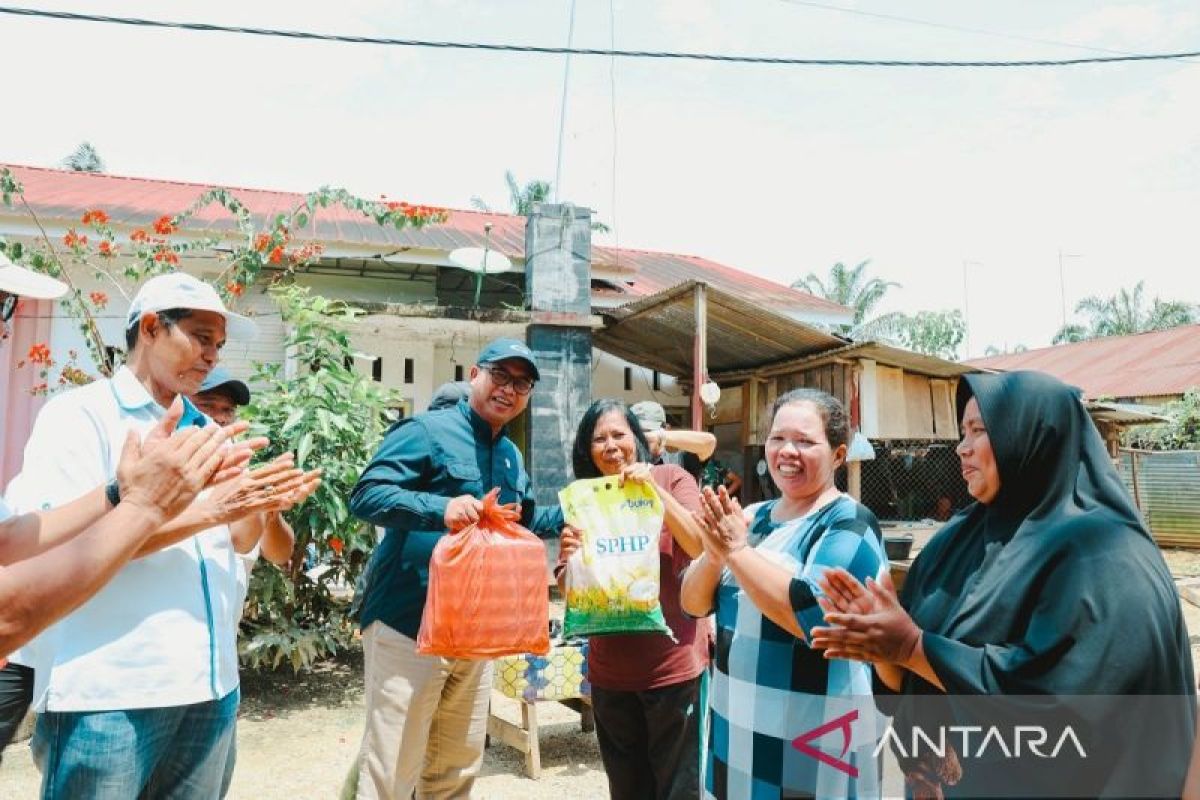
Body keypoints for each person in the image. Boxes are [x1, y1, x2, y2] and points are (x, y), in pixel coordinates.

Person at [811, 371, 1196, 797]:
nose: (962, 446)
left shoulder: (1105, 558)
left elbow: (1056, 706)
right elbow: (910, 677)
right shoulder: (958, 542)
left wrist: (911, 647)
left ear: (1032, 438)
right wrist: (883, 647)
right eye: (962, 431)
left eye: (979, 430)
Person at [6, 272, 315, 799]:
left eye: (218, 345)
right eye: (199, 337)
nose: (212, 355)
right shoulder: (81, 416)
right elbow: (52, 548)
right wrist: (208, 509)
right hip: (110, 690)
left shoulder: (210, 432)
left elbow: (240, 543)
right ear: (150, 328)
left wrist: (259, 501)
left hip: (212, 688)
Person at [348, 337, 559, 800]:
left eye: (521, 383)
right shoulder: (426, 431)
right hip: (408, 623)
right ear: (474, 376)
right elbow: (366, 496)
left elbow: (517, 517)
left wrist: (577, 515)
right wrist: (439, 507)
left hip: (473, 633)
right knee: (392, 773)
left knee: (456, 769)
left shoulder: (510, 455)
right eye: (499, 375)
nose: (509, 388)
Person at [680, 388, 886, 799]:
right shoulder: (751, 517)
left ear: (839, 455)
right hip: (738, 732)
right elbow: (692, 601)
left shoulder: (850, 524)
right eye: (777, 438)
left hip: (815, 741)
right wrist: (718, 554)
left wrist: (735, 550)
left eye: (805, 441)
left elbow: (814, 616)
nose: (787, 451)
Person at [556, 398, 709, 800]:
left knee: (678, 789)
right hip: (610, 675)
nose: (610, 445)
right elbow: (569, 590)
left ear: (636, 440)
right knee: (626, 790)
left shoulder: (672, 478)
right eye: (599, 438)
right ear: (587, 451)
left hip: (672, 669)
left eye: (619, 434)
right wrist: (571, 558)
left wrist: (653, 490)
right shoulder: (584, 501)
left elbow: (698, 545)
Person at [631, 400, 716, 484]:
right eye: (637, 432)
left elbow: (709, 442)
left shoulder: (680, 460)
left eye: (649, 431)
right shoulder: (626, 461)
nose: (643, 438)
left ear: (665, 429)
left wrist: (660, 437)